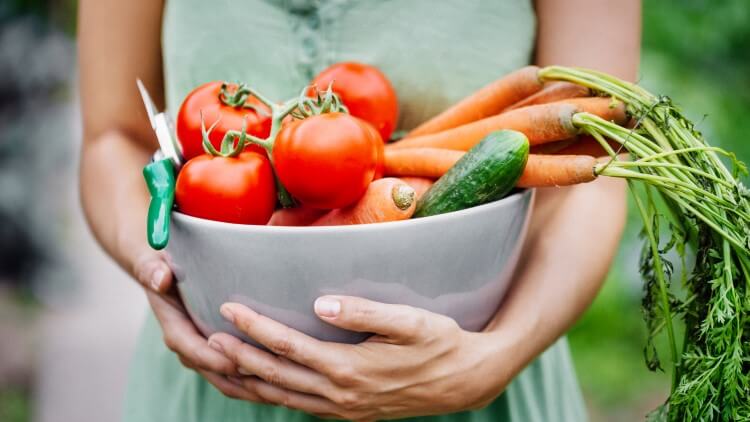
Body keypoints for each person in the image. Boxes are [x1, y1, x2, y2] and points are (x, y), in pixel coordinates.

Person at [78, 0, 640, 420]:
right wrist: (153, 265)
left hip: (473, 381)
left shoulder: (486, 364)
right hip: (222, 371)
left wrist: (495, 358)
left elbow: (597, 177)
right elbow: (112, 137)